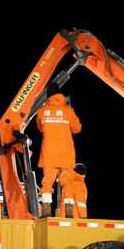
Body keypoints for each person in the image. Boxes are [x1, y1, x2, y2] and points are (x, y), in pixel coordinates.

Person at [35, 87, 82, 218]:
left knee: (47, 181)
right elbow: (77, 129)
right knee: (67, 182)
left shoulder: (41, 111)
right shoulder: (68, 110)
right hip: (66, 153)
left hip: (49, 153)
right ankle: (69, 211)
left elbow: (40, 128)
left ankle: (46, 210)